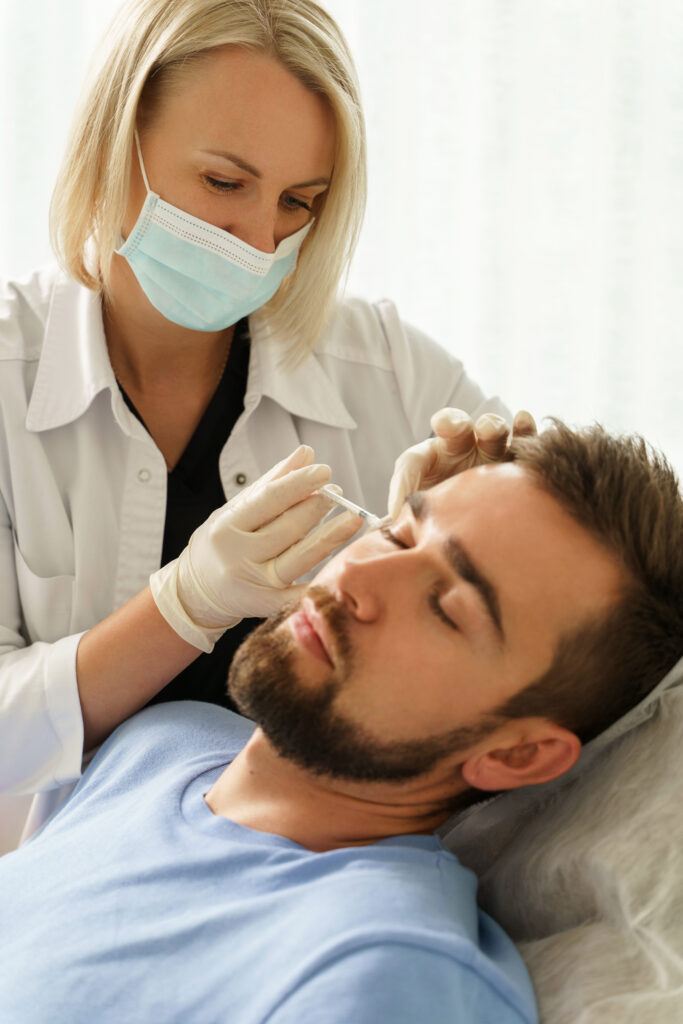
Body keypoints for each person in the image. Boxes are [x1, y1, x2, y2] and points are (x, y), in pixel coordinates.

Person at [0, 0, 535, 834]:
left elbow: (598, 589)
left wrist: (457, 523)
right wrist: (181, 607)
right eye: (223, 182)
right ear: (115, 142)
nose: (258, 240)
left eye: (299, 201)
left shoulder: (387, 367)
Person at [2, 422, 681, 1024]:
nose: (356, 578)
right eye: (397, 534)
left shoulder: (380, 973)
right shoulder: (158, 742)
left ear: (518, 755)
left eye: (445, 607)